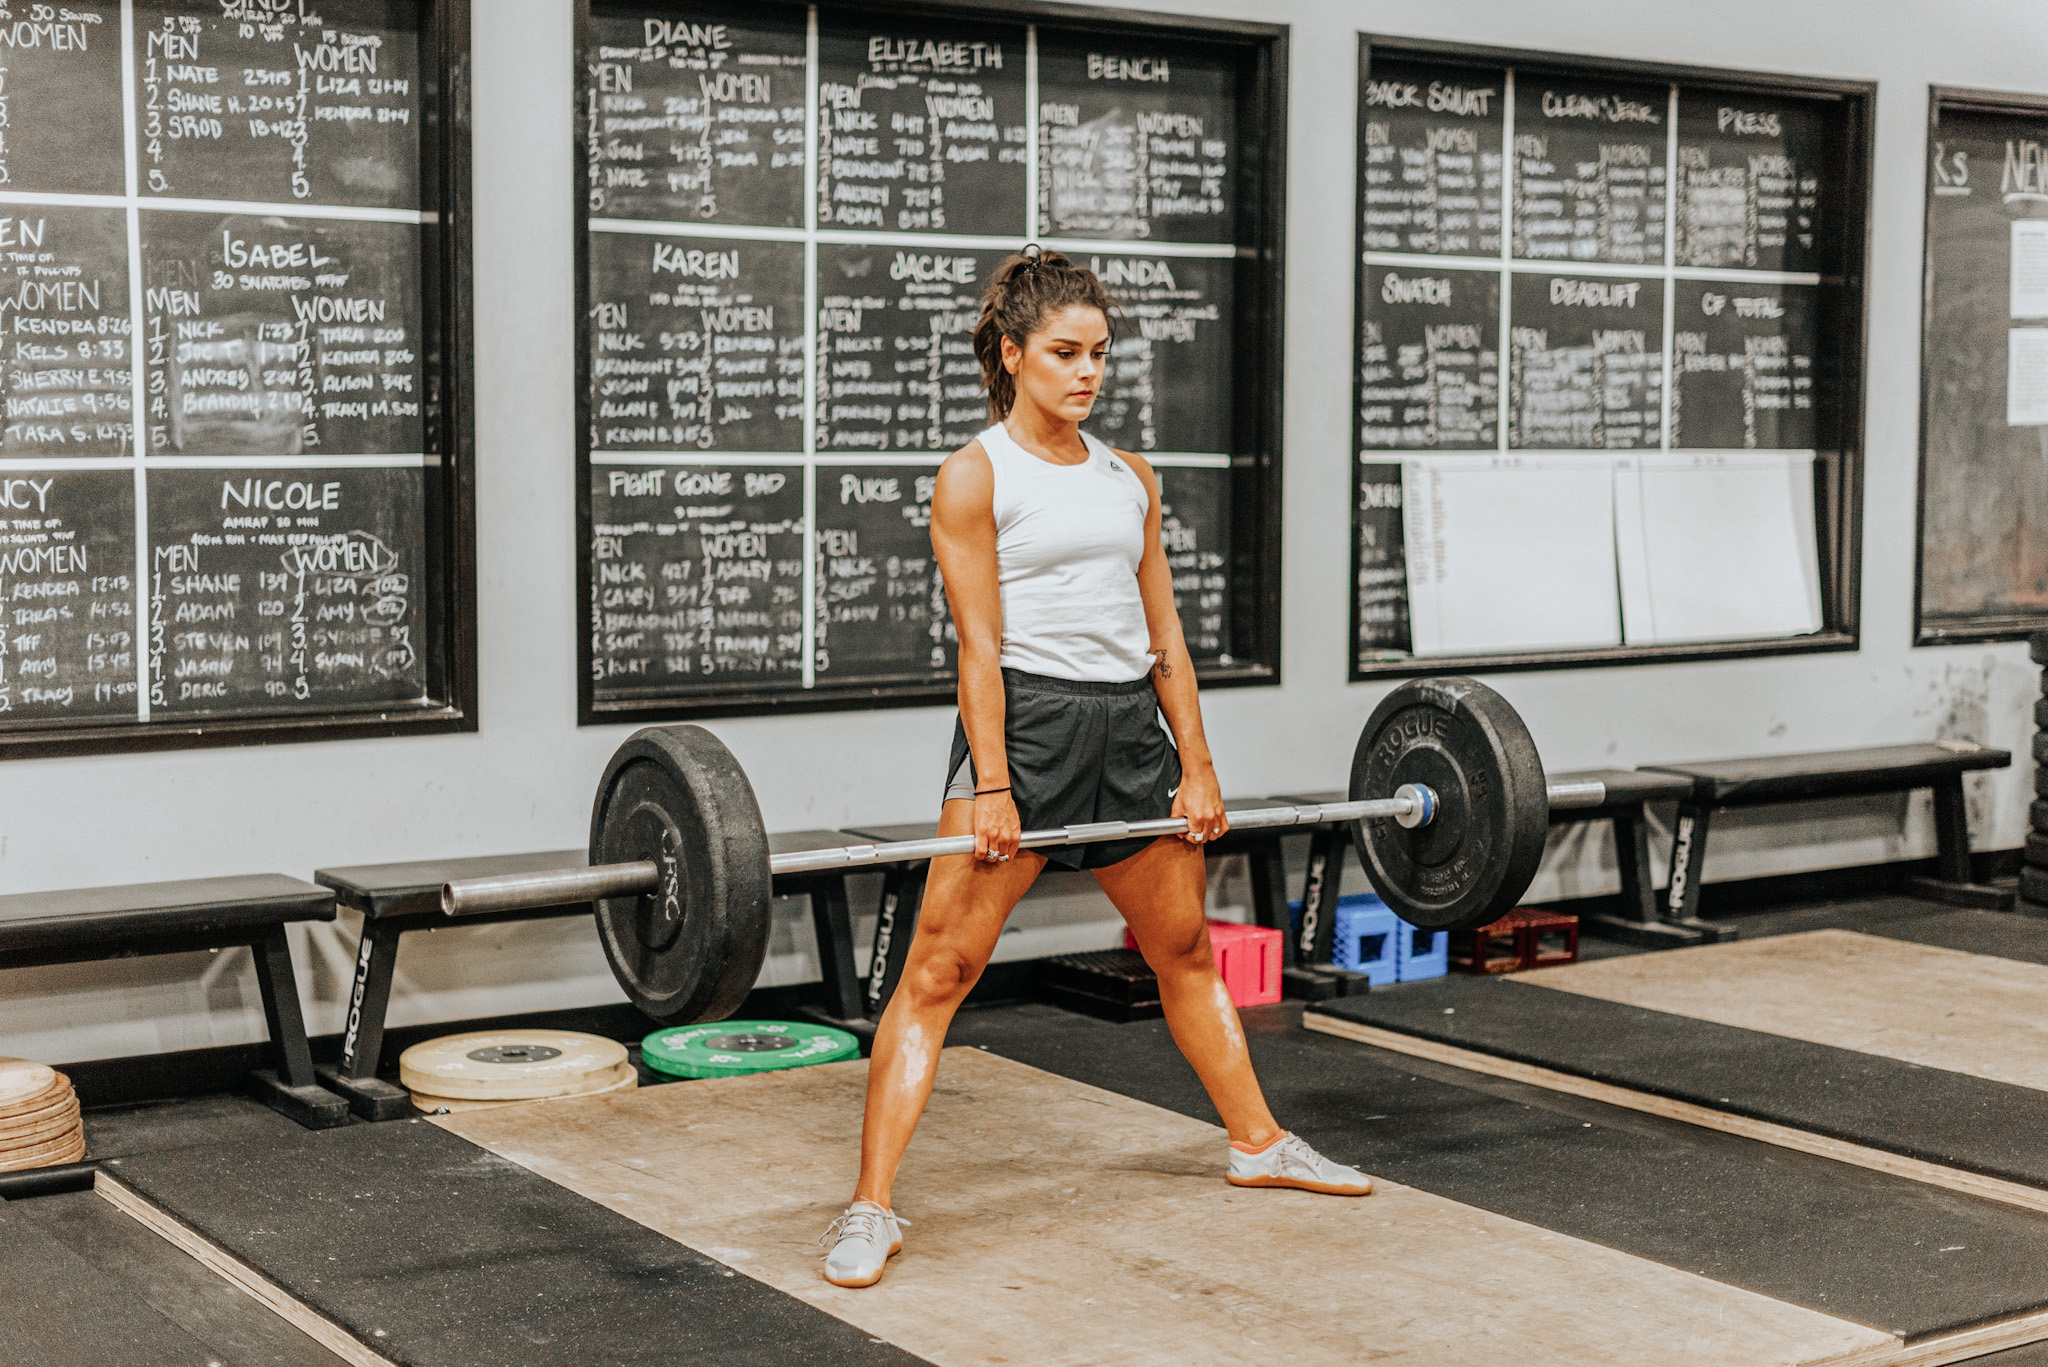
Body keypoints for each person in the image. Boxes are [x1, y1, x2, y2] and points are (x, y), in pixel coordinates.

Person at [820, 246, 1373, 1289]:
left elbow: (1161, 626)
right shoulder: (975, 472)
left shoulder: (1130, 478)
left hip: (1130, 735)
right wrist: (991, 782)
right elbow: (977, 644)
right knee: (936, 975)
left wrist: (1197, 766)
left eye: (1099, 354)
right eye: (1065, 353)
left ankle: (1256, 1141)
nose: (1086, 372)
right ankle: (869, 1204)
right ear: (1012, 352)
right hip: (1024, 729)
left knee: (1185, 954)